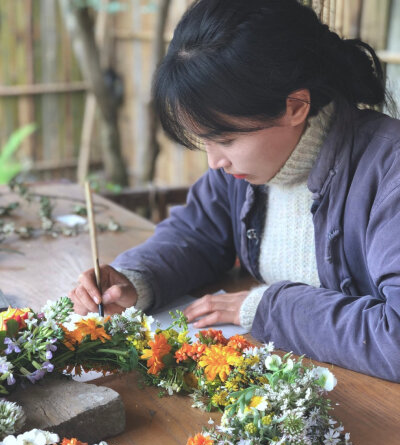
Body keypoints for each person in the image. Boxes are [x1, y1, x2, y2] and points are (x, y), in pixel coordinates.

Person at [70, 0, 400, 382]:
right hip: (288, 375)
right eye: (204, 142)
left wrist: (267, 308)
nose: (215, 162)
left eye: (224, 139)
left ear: (295, 106)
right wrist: (135, 281)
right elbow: (196, 234)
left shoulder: (387, 170)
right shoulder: (244, 168)